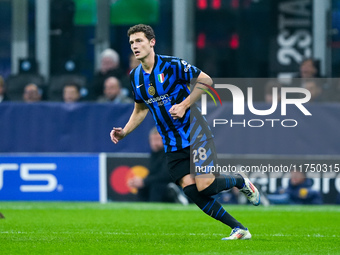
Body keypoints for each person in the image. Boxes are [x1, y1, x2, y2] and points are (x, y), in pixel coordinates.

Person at [110, 24, 260, 240]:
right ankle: (239, 229)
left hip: (195, 133)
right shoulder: (135, 77)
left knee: (205, 185)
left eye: (139, 40)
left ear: (152, 42)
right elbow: (140, 109)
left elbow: (206, 80)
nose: (135, 46)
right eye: (132, 42)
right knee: (191, 190)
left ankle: (239, 181)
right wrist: (124, 131)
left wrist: (184, 105)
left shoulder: (172, 65)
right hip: (171, 143)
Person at [128, 127, 188, 204]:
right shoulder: (155, 154)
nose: (154, 143)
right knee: (143, 187)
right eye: (152, 140)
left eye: (157, 140)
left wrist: (144, 181)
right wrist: (142, 182)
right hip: (160, 182)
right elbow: (153, 174)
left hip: (173, 184)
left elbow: (165, 175)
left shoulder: (170, 153)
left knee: (156, 187)